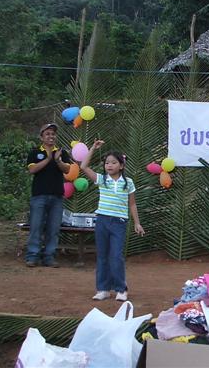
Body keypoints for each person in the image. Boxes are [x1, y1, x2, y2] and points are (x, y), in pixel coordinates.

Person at [80, 140, 144, 301]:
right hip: (102, 221)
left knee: (116, 256)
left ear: (121, 165)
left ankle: (121, 289)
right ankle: (103, 289)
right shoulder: (102, 180)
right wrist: (93, 148)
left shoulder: (128, 182)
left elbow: (132, 204)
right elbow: (84, 167)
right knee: (102, 256)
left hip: (119, 223)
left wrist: (137, 223)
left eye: (114, 162)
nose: (109, 165)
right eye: (107, 162)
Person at [25, 123, 71, 268]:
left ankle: (49, 256)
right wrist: (48, 158)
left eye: (53, 134)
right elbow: (32, 170)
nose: (51, 136)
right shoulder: (35, 152)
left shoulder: (62, 153)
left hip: (57, 196)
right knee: (36, 226)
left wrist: (57, 160)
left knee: (53, 228)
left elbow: (67, 169)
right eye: (47, 134)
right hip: (39, 195)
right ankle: (33, 256)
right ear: (41, 137)